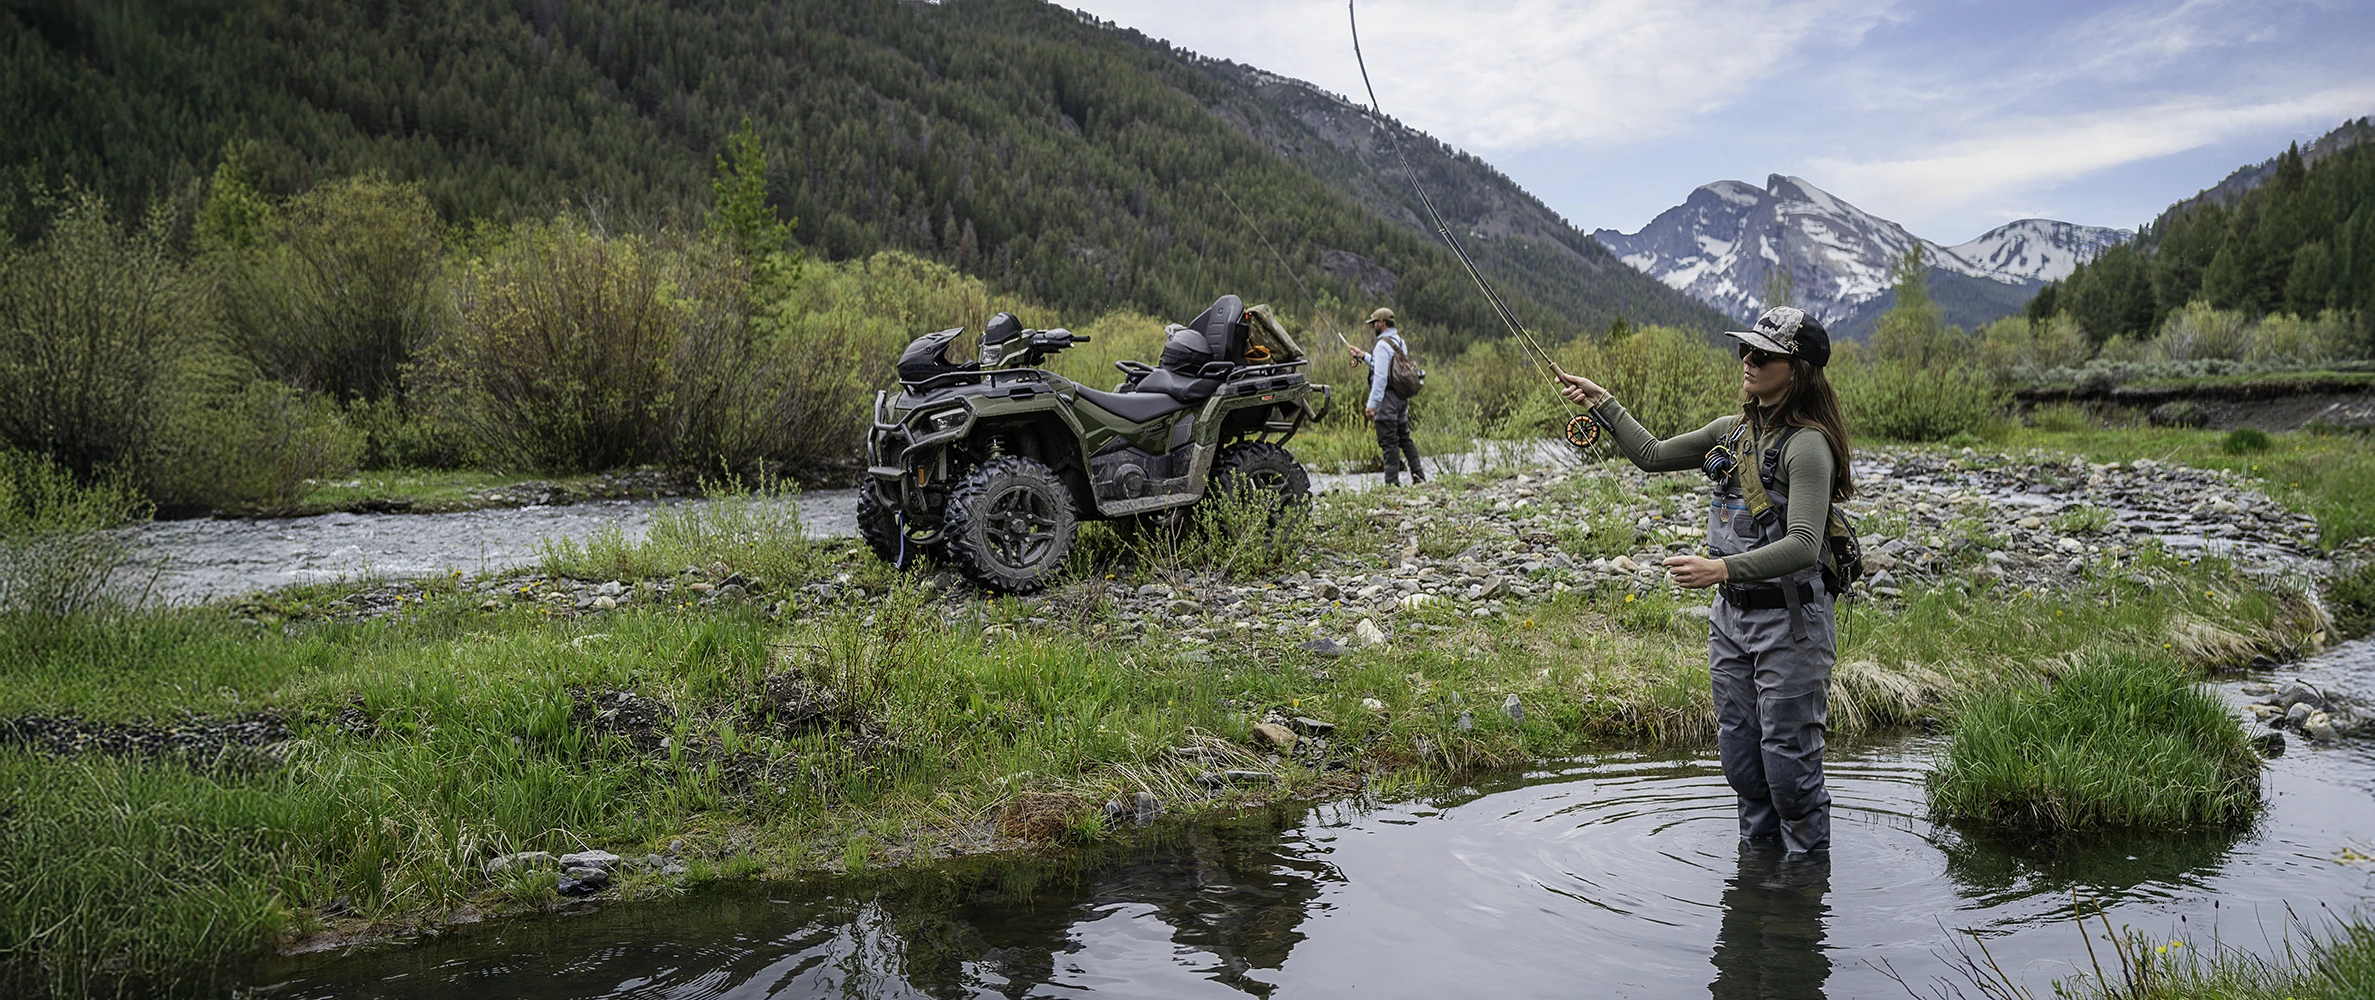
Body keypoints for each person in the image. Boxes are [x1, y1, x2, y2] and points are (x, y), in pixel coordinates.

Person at [1551, 306, 1854, 856]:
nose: (1748, 359)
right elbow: (1650, 455)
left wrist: (1720, 568)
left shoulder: (1808, 445)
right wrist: (1604, 403)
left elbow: (1806, 545)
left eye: (1763, 354)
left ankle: (1803, 899)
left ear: (1798, 369)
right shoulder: (1731, 431)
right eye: (1745, 349)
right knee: (1741, 760)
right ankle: (1757, 880)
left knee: (1789, 768)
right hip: (1731, 621)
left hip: (1792, 623)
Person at [1348, 306, 1425, 485]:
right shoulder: (1399, 342)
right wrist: (1363, 355)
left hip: (1387, 402)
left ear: (1381, 323)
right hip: (1401, 400)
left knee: (1389, 442)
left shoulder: (1382, 346)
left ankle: (1392, 484)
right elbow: (1388, 366)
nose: (1372, 326)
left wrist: (1371, 405)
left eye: (1374, 323)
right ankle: (1419, 476)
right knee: (1404, 438)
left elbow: (1381, 377)